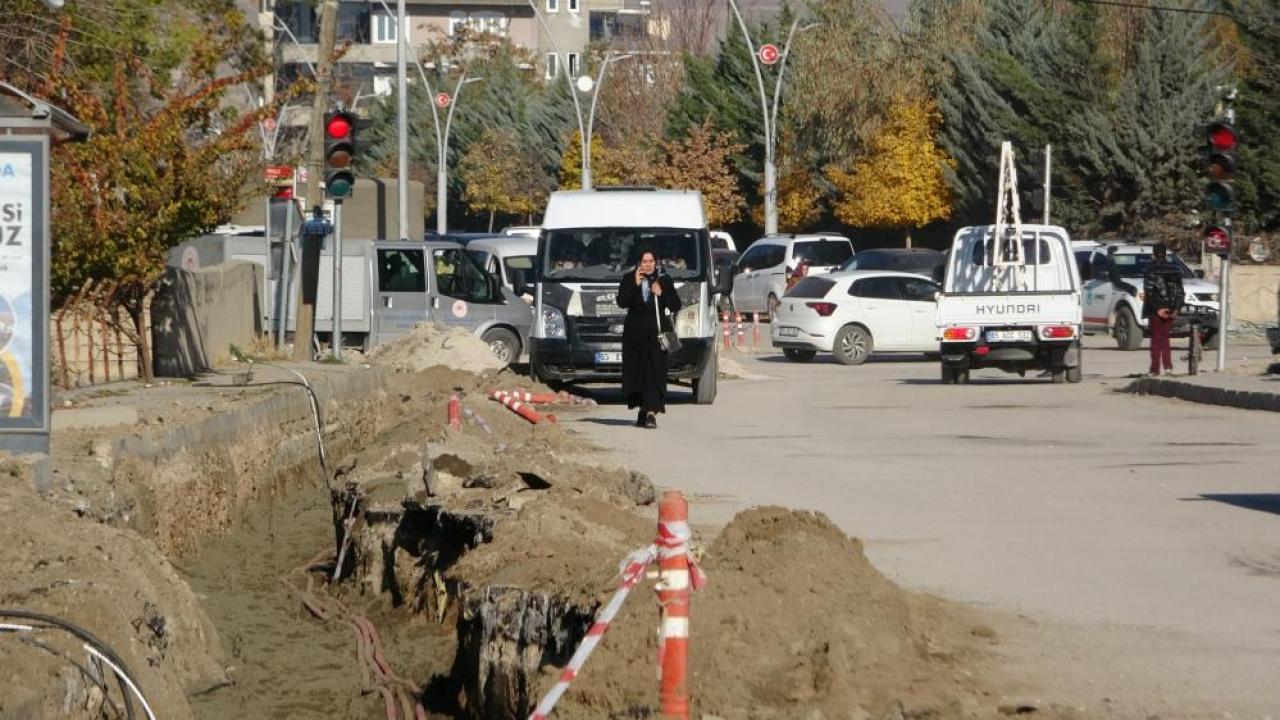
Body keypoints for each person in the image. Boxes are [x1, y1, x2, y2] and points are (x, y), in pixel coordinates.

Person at [618, 249, 681, 428]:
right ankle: (642, 410)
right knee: (638, 374)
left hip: (657, 336)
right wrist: (636, 284)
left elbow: (676, 304)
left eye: (651, 261)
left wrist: (662, 294)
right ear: (639, 263)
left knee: (655, 373)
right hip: (635, 336)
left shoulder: (664, 280)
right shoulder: (630, 278)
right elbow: (622, 302)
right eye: (644, 262)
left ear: (656, 262)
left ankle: (652, 413)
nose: (647, 265)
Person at [1142, 242, 1185, 376]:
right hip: (1171, 309)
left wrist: (1157, 309)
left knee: (1156, 339)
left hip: (1156, 311)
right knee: (1165, 338)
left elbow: (1149, 293)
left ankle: (1155, 368)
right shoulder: (1175, 269)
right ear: (1166, 254)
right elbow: (1180, 292)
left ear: (1154, 255)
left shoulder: (1150, 270)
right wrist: (1176, 309)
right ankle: (1168, 367)